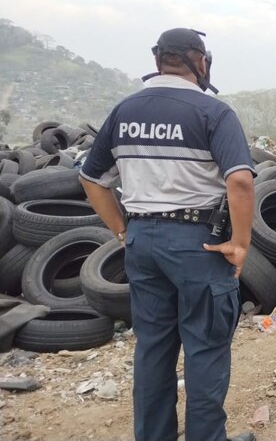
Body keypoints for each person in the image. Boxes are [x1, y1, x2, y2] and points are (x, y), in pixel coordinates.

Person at [80, 28, 256, 441]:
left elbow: (91, 179)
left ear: (158, 58)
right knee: (206, 347)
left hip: (143, 242)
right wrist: (241, 243)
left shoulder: (124, 110)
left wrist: (123, 229)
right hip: (198, 244)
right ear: (202, 62)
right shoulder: (213, 112)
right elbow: (242, 183)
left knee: (154, 347)